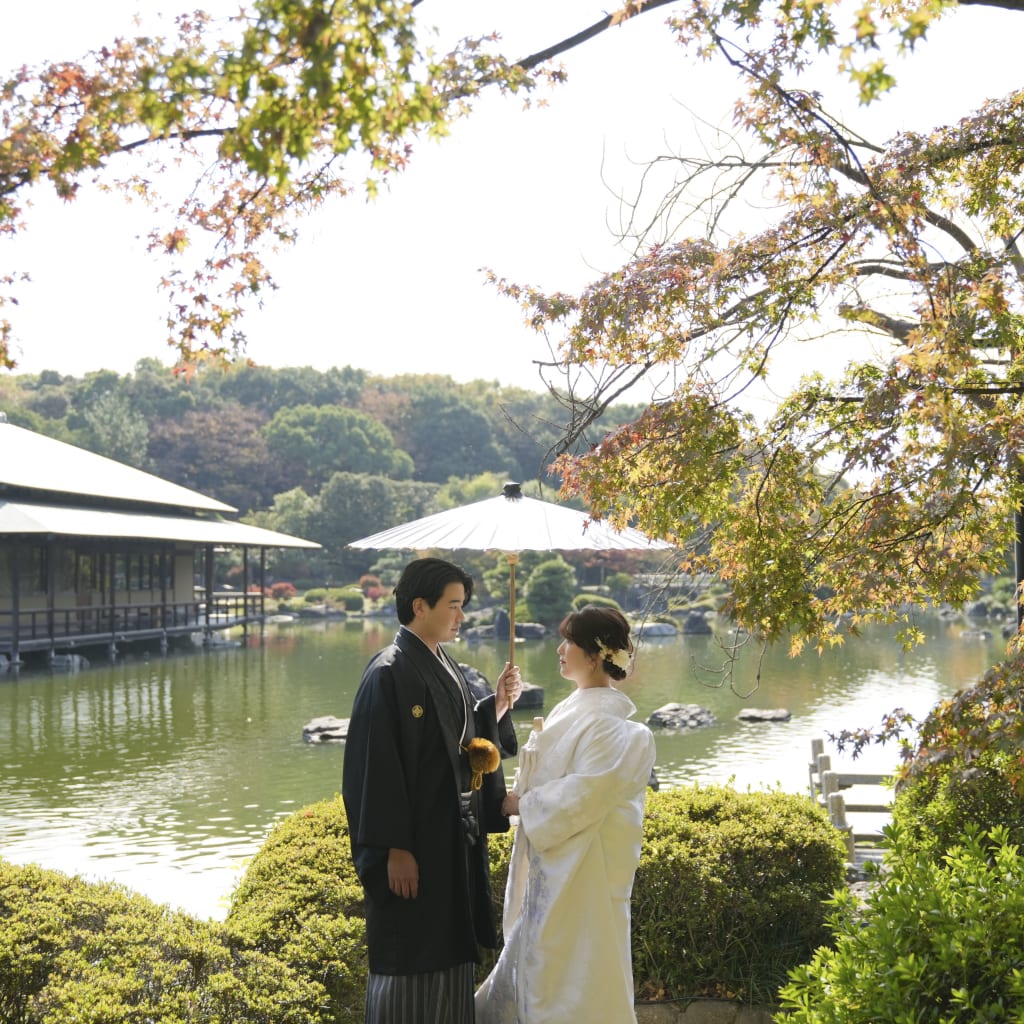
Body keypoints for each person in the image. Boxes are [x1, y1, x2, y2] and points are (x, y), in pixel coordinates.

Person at [342, 556, 522, 1024]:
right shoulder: (388, 672)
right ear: (420, 606)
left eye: (463, 606)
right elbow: (375, 768)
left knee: (449, 949)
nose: (462, 616)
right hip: (416, 844)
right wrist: (393, 848)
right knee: (413, 953)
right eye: (454, 606)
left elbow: (457, 740)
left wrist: (496, 707)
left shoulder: (444, 663)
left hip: (451, 838)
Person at [475, 605, 657, 1024]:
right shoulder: (573, 709)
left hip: (584, 870)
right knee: (540, 968)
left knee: (574, 977)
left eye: (569, 642)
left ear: (594, 655)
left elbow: (585, 794)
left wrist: (523, 804)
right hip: (552, 864)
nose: (559, 650)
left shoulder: (615, 728)